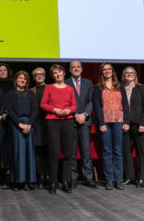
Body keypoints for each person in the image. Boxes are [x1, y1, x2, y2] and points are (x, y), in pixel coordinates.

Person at [92, 63, 130, 190]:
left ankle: (118, 180)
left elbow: (125, 104)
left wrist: (127, 122)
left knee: (118, 151)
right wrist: (101, 123)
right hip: (105, 122)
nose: (107, 71)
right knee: (107, 151)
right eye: (104, 70)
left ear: (113, 71)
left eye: (109, 69)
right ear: (101, 72)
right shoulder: (97, 87)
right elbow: (97, 106)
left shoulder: (120, 86)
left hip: (119, 121)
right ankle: (109, 180)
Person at [40, 64, 77, 194]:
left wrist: (69, 110)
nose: (57, 75)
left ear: (64, 74)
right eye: (55, 73)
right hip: (53, 121)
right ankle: (53, 182)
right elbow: (43, 104)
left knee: (68, 153)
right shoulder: (49, 88)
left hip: (67, 121)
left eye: (59, 72)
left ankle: (66, 182)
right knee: (54, 152)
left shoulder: (70, 89)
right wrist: (54, 109)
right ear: (52, 75)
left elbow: (74, 106)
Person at [64, 60, 97, 189]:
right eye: (74, 67)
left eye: (78, 67)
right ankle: (73, 178)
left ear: (82, 69)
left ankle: (88, 177)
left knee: (86, 151)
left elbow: (91, 101)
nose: (76, 69)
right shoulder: (65, 83)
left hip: (86, 121)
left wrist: (85, 114)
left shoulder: (89, 83)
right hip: (71, 121)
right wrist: (75, 114)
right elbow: (65, 102)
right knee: (71, 151)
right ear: (70, 69)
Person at [5, 71, 38, 191]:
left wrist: (29, 124)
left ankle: (30, 180)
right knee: (18, 153)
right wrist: (19, 124)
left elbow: (35, 109)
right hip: (16, 125)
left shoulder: (31, 93)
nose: (22, 80)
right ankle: (17, 181)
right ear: (16, 80)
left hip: (29, 124)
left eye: (25, 78)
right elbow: (9, 110)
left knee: (29, 153)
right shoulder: (10, 93)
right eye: (20, 78)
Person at [121, 67, 144, 188]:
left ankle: (142, 178)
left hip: (138, 124)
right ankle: (129, 177)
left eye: (131, 73)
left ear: (135, 75)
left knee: (140, 151)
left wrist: (143, 123)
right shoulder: (120, 88)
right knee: (125, 151)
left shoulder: (141, 88)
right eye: (127, 73)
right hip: (124, 124)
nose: (129, 74)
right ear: (123, 75)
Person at [0, 63, 13, 185]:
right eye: (0, 71)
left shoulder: (13, 85)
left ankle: (9, 172)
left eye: (5, 70)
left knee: (9, 147)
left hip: (11, 120)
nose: (2, 72)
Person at [30, 67, 49, 188]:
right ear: (33, 77)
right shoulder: (30, 91)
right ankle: (38, 176)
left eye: (41, 74)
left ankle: (48, 176)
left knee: (48, 150)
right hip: (35, 124)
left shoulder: (51, 88)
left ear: (45, 76)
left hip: (49, 123)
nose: (39, 76)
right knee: (36, 151)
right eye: (37, 74)